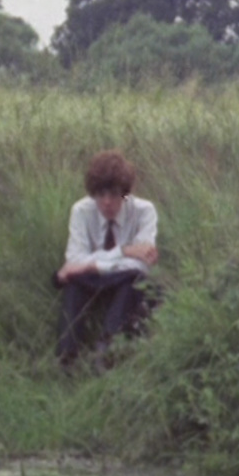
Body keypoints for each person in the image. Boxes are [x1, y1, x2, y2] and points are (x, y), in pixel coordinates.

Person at [55, 150, 159, 366]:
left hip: (124, 280)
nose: (107, 203)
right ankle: (67, 356)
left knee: (133, 280)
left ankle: (106, 350)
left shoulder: (144, 211)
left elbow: (141, 263)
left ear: (125, 193)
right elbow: (74, 259)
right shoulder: (81, 211)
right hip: (92, 281)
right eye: (100, 195)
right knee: (73, 285)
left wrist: (91, 264)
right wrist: (124, 251)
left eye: (113, 195)